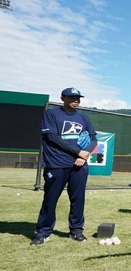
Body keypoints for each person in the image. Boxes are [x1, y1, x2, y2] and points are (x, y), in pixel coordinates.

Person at [31, 88, 97, 246]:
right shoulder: (51, 114)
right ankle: (43, 232)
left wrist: (85, 154)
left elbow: (94, 139)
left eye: (78, 98)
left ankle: (76, 231)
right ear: (62, 98)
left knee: (78, 199)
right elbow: (53, 137)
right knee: (50, 199)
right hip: (56, 164)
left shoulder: (84, 118)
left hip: (79, 165)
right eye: (72, 97)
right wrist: (78, 152)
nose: (76, 100)